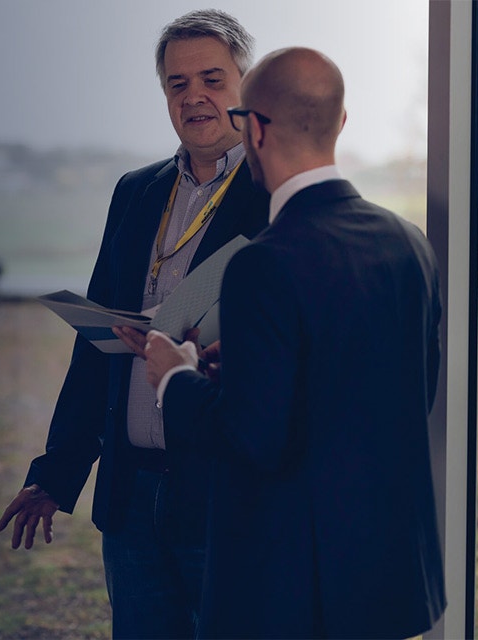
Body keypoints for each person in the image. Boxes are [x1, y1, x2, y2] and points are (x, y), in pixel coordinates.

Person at [138, 47, 446, 638]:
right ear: (341, 123)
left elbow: (253, 439)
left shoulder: (263, 264)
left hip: (295, 590)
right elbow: (403, 393)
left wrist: (176, 378)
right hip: (386, 579)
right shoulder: (408, 242)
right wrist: (250, 370)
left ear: (253, 128)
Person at [0, 10, 269, 638]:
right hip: (132, 499)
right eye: (177, 84)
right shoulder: (136, 192)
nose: (194, 96)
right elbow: (94, 352)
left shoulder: (275, 194)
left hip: (227, 500)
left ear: (246, 87)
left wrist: (185, 334)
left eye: (211, 78)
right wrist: (55, 474)